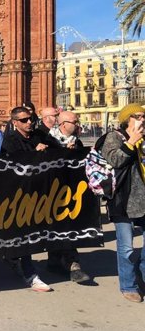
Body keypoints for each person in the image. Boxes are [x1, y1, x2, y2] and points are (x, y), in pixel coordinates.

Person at [0, 106, 53, 293]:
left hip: (41, 193)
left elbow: (57, 149)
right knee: (25, 235)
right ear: (15, 123)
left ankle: (14, 260)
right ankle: (30, 274)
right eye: (24, 120)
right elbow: (14, 165)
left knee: (28, 235)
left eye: (30, 119)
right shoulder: (10, 140)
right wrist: (35, 152)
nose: (29, 122)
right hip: (19, 195)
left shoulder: (39, 134)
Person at [100, 103, 145, 303]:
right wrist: (131, 143)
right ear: (128, 118)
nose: (142, 119)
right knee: (126, 247)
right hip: (122, 199)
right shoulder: (114, 137)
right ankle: (128, 285)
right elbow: (114, 160)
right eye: (138, 116)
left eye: (144, 116)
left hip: (143, 198)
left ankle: (142, 274)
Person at [46, 110, 91, 283]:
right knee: (59, 228)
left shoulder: (77, 142)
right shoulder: (48, 140)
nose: (78, 124)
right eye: (74, 122)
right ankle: (62, 262)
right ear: (64, 124)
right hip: (52, 193)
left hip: (72, 192)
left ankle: (71, 265)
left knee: (68, 227)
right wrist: (63, 151)